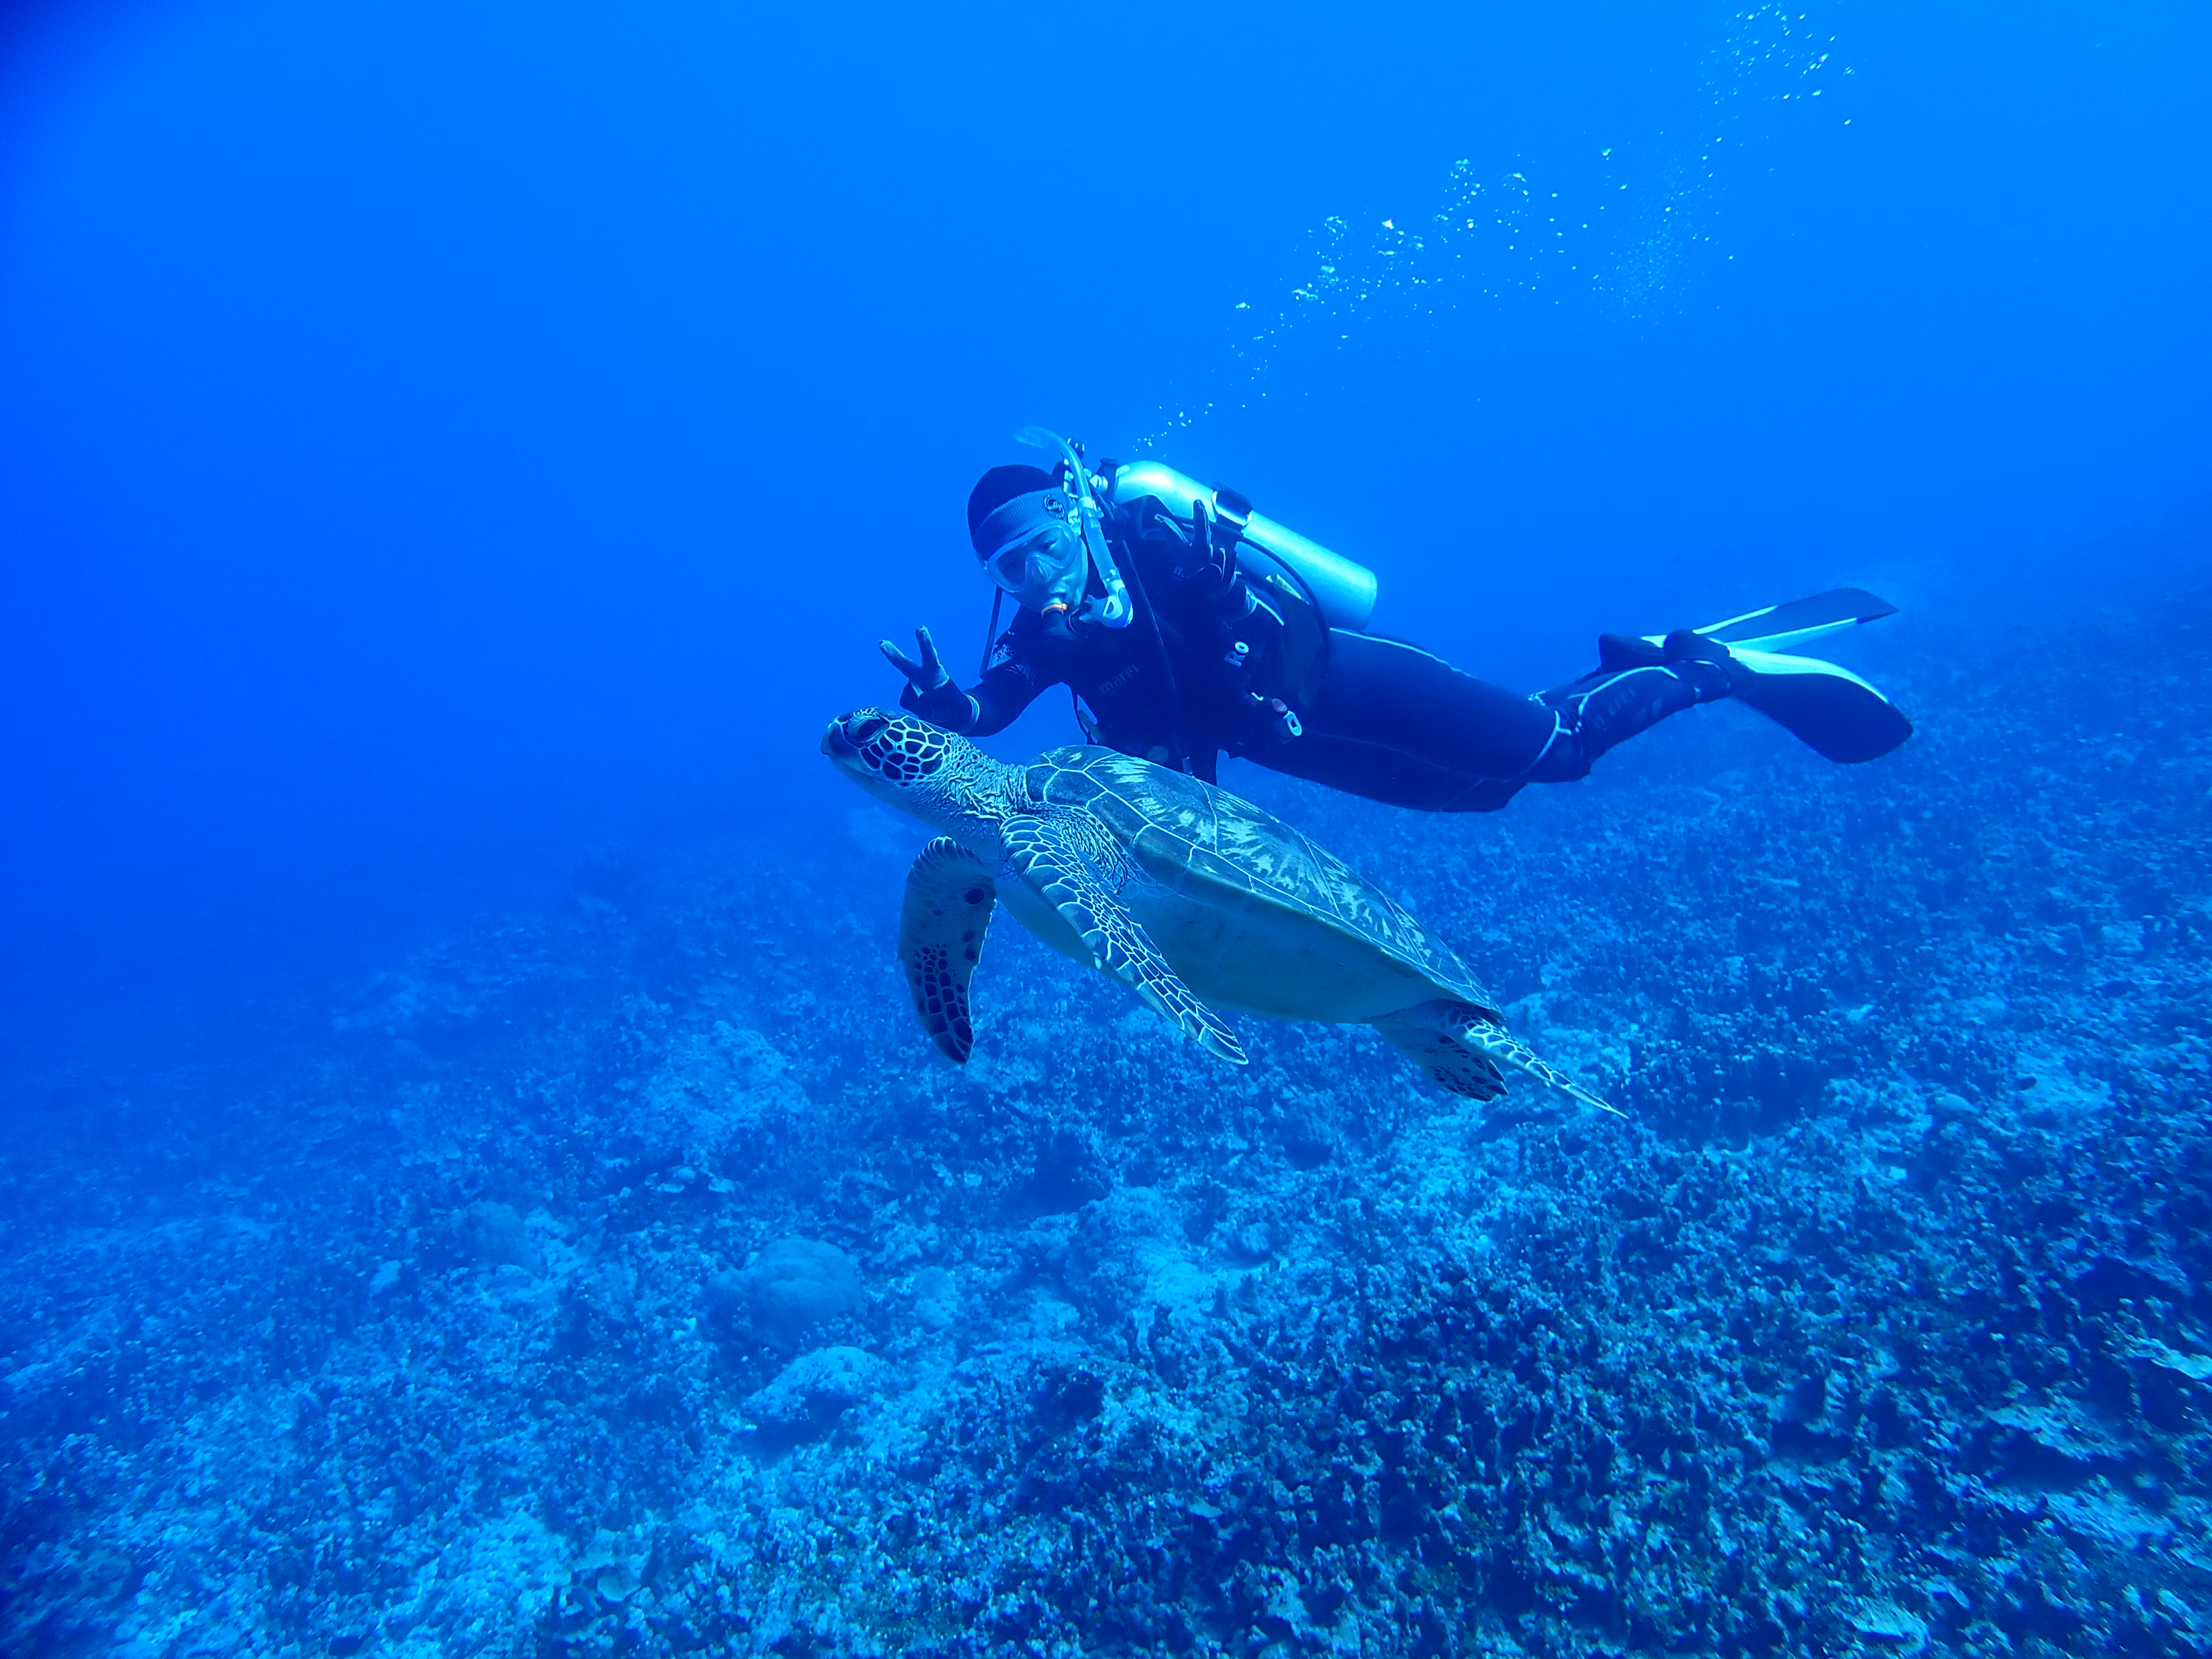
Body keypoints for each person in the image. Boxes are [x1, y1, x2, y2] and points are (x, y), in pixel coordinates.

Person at [881, 436, 1909, 812]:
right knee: (1483, 794)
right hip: (1281, 745)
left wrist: (1211, 587)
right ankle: (1632, 664)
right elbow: (992, 705)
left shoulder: (1155, 544)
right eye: (1005, 569)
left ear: (1074, 517)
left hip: (1339, 682)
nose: (1033, 578)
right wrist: (945, 709)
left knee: (1558, 757)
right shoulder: (1039, 635)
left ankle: (1707, 664)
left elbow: (1266, 623)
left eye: (1040, 546)